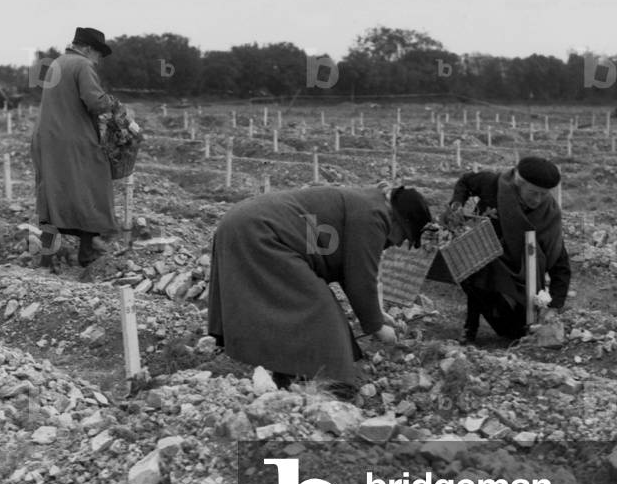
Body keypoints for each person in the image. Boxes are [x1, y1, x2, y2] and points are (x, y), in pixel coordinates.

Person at [207, 185, 433, 397]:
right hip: (258, 231)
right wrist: (376, 328)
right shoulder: (374, 216)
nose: (397, 243)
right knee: (319, 308)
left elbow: (352, 270)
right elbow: (361, 279)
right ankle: (329, 384)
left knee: (300, 305)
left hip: (245, 225)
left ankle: (290, 374)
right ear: (399, 221)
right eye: (403, 236)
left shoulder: (369, 206)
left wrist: (376, 315)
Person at [31, 27, 136, 271]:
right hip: (71, 139)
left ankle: (47, 257)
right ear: (89, 49)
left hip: (47, 139)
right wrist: (117, 107)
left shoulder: (58, 63)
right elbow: (95, 102)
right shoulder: (82, 64)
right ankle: (87, 253)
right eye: (99, 54)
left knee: (52, 192)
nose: (98, 60)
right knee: (94, 185)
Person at [445, 156, 571, 343]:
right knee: (474, 273)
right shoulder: (493, 185)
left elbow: (560, 262)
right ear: (519, 183)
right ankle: (470, 326)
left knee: (513, 332)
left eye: (544, 194)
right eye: (533, 193)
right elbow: (465, 182)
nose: (538, 200)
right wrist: (457, 205)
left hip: (522, 273)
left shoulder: (548, 213)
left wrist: (554, 306)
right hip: (485, 258)